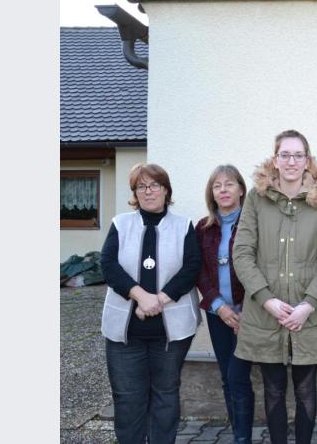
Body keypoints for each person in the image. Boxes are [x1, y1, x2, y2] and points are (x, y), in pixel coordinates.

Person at [230, 130, 317, 444]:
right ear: (275, 160)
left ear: (307, 160)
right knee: (274, 389)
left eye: (298, 155)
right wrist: (267, 300)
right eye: (285, 155)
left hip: (309, 314)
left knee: (306, 390)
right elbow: (242, 252)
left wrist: (308, 305)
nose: (291, 161)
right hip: (266, 313)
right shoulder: (257, 197)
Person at [100, 162, 202, 444]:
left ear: (166, 190)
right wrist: (140, 296)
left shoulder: (183, 226)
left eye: (155, 185)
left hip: (171, 333)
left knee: (165, 396)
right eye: (141, 186)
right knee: (127, 399)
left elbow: (192, 267)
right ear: (135, 193)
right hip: (125, 332)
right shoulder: (121, 224)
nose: (148, 191)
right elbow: (108, 265)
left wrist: (160, 299)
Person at [195, 164, 248, 432]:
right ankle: (238, 432)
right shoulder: (203, 228)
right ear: (212, 193)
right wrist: (220, 307)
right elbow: (199, 271)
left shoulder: (253, 224)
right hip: (218, 314)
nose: (223, 190)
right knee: (228, 376)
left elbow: (262, 267)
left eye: (229, 184)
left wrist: (245, 310)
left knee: (239, 376)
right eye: (217, 186)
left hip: (249, 314)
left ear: (241, 190)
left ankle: (243, 437)